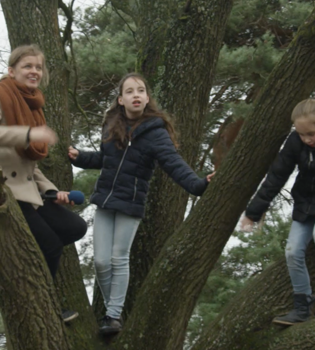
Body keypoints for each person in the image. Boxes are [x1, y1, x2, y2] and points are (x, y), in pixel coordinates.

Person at [68, 72, 214, 334]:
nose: (136, 95)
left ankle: (113, 316)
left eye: (140, 91)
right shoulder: (112, 125)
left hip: (131, 203)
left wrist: (198, 185)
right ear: (121, 100)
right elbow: (105, 159)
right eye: (130, 91)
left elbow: (174, 165)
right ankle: (112, 310)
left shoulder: (156, 133)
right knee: (101, 261)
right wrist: (79, 157)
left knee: (118, 257)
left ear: (147, 98)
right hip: (105, 200)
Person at [0, 44, 87, 322]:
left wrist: (51, 191)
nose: (34, 71)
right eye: (27, 66)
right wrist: (28, 134)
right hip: (6, 191)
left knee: (74, 227)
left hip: (27, 189)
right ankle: (44, 310)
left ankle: (19, 265)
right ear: (12, 71)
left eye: (38, 67)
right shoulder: (2, 95)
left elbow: (29, 166)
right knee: (49, 244)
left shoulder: (33, 103)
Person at [240, 98, 315, 326]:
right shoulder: (296, 143)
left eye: (311, 134)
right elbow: (276, 177)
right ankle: (303, 306)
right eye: (302, 134)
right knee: (292, 252)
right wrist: (253, 213)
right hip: (305, 206)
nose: (306, 139)